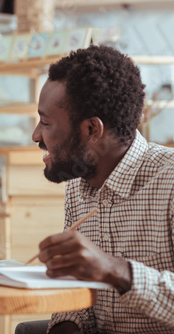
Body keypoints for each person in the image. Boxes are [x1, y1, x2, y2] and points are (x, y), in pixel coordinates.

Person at [32, 45, 174, 333]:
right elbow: (79, 305)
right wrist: (68, 320)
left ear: (91, 131)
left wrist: (114, 270)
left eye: (46, 123)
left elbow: (106, 270)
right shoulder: (77, 184)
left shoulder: (169, 180)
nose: (36, 136)